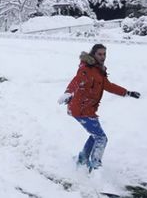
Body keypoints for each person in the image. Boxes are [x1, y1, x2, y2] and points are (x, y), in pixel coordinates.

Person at [58, 44, 141, 172]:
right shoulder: (86, 68)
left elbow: (109, 86)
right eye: (100, 54)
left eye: (104, 54)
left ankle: (83, 159)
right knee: (101, 138)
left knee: (95, 136)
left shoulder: (99, 70)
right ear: (93, 54)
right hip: (80, 109)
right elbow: (76, 80)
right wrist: (68, 93)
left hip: (89, 109)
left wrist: (127, 93)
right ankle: (96, 167)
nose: (103, 57)